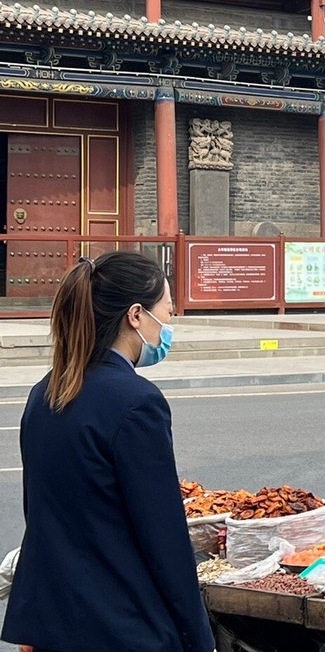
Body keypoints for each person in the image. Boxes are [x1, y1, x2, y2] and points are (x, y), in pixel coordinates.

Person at [2, 252, 215, 652]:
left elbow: (43, 517)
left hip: (51, 621)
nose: (169, 324)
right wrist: (199, 638)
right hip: (120, 626)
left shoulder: (44, 392)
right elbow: (163, 537)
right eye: (167, 310)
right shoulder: (136, 402)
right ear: (136, 315)